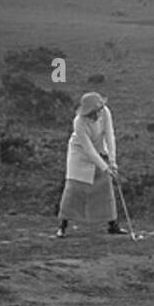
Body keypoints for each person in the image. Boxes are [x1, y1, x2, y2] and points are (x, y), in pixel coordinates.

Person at [55, 92, 123, 237]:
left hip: (99, 149)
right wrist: (105, 168)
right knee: (73, 188)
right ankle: (63, 225)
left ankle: (113, 225)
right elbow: (88, 150)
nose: (97, 114)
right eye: (93, 112)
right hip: (79, 153)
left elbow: (109, 135)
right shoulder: (78, 122)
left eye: (98, 110)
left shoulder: (105, 112)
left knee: (105, 185)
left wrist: (112, 161)